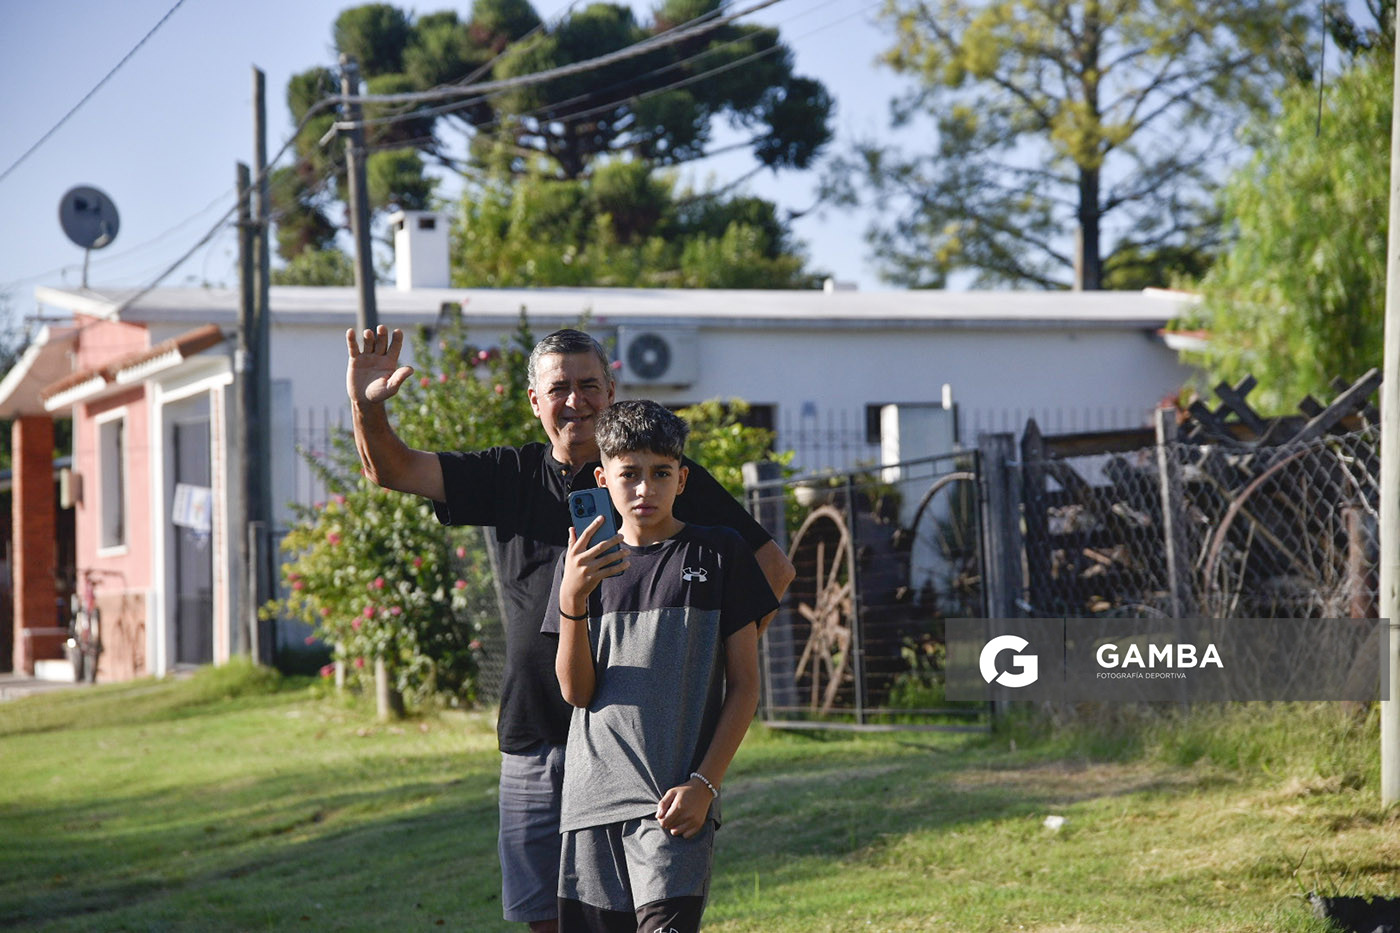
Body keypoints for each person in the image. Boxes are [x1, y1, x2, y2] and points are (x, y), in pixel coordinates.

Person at [345, 325, 794, 932]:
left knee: (653, 915)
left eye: (589, 385)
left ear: (612, 391)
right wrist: (365, 405)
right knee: (552, 922)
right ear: (535, 401)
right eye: (560, 388)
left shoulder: (657, 476)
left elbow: (771, 567)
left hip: (637, 753)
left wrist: (690, 663)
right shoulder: (508, 475)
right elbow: (392, 468)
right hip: (538, 737)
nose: (576, 400)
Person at [545, 400, 775, 932]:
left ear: (682, 478)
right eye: (629, 474)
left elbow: (744, 688)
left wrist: (705, 785)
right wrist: (573, 598)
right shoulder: (580, 564)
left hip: (674, 807)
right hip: (590, 804)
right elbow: (577, 692)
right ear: (603, 478)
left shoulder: (721, 553)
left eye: (661, 473)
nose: (645, 489)